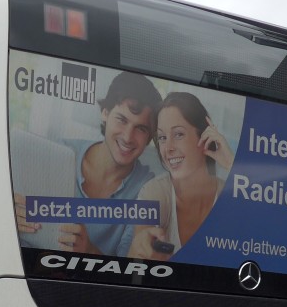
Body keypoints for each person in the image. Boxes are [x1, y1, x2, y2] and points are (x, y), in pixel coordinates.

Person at [16, 72, 162, 255]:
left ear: (149, 137)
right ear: (105, 113)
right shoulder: (58, 155)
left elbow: (128, 271)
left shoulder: (148, 191)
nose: (128, 137)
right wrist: (12, 215)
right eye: (121, 120)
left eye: (141, 128)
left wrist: (89, 250)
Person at [127, 91, 233, 261]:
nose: (168, 148)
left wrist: (231, 164)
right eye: (162, 137)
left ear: (204, 136)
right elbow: (138, 261)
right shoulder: (154, 193)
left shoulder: (230, 196)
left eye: (178, 134)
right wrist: (140, 251)